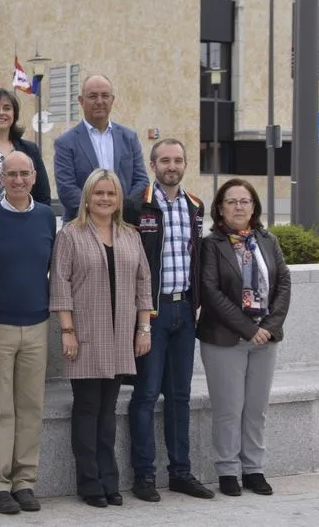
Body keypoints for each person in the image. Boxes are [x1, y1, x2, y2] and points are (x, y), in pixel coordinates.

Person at [50, 168, 153, 508]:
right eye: (99, 193)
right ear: (87, 198)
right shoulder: (71, 234)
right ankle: (90, 482)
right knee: (87, 409)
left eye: (111, 194)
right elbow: (60, 284)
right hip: (85, 335)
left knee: (108, 412)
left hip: (120, 335)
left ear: (118, 199)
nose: (105, 199)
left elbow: (143, 283)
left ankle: (111, 481)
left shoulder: (130, 235)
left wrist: (143, 328)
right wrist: (67, 330)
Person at [123, 138, 213, 502]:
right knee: (145, 395)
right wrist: (139, 319)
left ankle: (181, 472)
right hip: (152, 311)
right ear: (153, 164)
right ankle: (144, 475)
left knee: (180, 396)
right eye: (165, 160)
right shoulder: (137, 205)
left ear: (185, 164)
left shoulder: (195, 205)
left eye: (177, 160)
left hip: (185, 312)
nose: (171, 166)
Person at [0, 151, 57, 515]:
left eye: (24, 174)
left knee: (31, 407)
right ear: (0, 179)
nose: (18, 180)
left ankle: (24, 481)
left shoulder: (47, 217)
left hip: (37, 325)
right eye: (11, 174)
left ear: (34, 177)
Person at [196, 179, 291, 498]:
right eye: (231, 201)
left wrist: (269, 325)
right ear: (220, 208)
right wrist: (249, 328)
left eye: (245, 201)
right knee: (228, 407)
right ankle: (227, 470)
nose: (239, 206)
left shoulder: (269, 241)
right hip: (224, 338)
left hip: (266, 339)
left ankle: (253, 469)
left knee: (256, 408)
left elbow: (284, 285)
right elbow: (209, 292)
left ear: (254, 207)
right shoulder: (211, 245)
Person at [53, 75, 149, 221]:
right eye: (92, 96)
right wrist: (99, 214)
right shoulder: (65, 143)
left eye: (105, 95)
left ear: (112, 99)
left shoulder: (129, 138)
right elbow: (67, 188)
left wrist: (120, 211)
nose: (99, 101)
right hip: (82, 225)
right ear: (81, 101)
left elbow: (141, 182)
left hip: (123, 224)